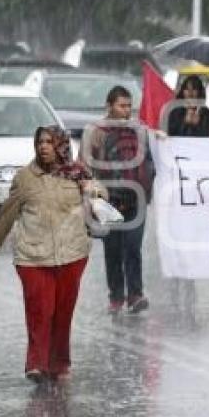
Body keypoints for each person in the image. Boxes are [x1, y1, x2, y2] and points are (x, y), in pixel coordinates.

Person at [0, 126, 103, 383]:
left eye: (49, 142)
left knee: (62, 314)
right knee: (40, 310)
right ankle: (36, 364)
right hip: (33, 257)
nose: (44, 147)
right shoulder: (25, 178)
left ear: (61, 145)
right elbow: (8, 214)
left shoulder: (78, 173)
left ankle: (58, 365)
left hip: (72, 255)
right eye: (40, 142)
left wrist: (91, 189)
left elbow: (102, 196)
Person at [81, 85, 155, 315]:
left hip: (136, 199)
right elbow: (83, 165)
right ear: (109, 106)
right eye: (121, 106)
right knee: (113, 250)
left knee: (133, 248)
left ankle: (135, 294)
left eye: (128, 106)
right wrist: (92, 191)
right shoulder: (95, 131)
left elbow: (150, 162)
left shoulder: (139, 130)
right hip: (107, 200)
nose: (126, 111)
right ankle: (116, 296)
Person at [165, 75, 209, 317]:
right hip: (176, 179)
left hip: (196, 182)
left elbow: (206, 143)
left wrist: (196, 124)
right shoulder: (174, 113)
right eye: (187, 90)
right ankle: (176, 274)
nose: (191, 94)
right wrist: (185, 123)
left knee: (192, 231)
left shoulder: (207, 114)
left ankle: (190, 277)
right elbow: (171, 140)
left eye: (195, 90)